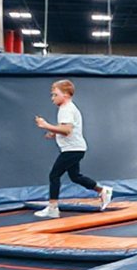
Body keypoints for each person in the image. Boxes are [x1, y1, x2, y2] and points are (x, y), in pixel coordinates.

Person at [34, 79, 112, 218]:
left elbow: (67, 130)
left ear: (65, 95)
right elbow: (67, 128)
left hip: (72, 149)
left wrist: (46, 125)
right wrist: (53, 132)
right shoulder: (67, 108)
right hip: (75, 149)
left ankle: (53, 208)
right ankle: (102, 190)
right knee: (75, 176)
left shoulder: (66, 109)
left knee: (54, 175)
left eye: (55, 94)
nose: (52, 98)